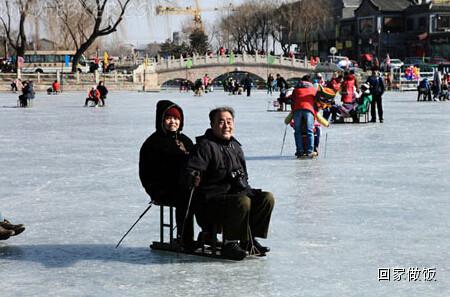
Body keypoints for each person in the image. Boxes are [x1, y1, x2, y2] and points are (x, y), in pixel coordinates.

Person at [184, 107, 275, 260]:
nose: (226, 125)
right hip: (211, 202)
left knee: (267, 198)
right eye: (221, 122)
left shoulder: (235, 146)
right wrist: (193, 176)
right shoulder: (204, 146)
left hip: (237, 195)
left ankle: (248, 239)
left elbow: (243, 175)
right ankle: (230, 243)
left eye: (229, 121)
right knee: (242, 202)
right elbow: (192, 169)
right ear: (212, 125)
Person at [139, 100, 195, 248]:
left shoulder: (185, 140)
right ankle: (184, 238)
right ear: (161, 120)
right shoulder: (153, 143)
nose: (173, 122)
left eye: (176, 119)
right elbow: (147, 173)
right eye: (169, 118)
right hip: (162, 188)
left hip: (185, 185)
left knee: (210, 193)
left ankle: (208, 233)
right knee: (187, 197)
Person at [290, 75, 317, 158]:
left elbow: (292, 100)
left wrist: (293, 111)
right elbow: (316, 101)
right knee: (310, 130)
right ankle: (310, 151)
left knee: (297, 131)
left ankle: (300, 151)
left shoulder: (296, 89)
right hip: (309, 109)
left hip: (297, 110)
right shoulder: (312, 89)